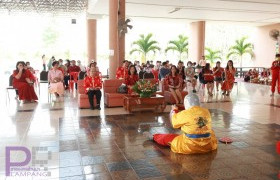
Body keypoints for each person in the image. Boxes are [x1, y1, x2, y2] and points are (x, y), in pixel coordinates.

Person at [143, 93, 217, 154]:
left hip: (190, 146)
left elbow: (174, 124)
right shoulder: (206, 111)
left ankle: (154, 137)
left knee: (170, 137)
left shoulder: (185, 113)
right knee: (210, 131)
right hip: (207, 145)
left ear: (186, 103)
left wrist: (174, 110)